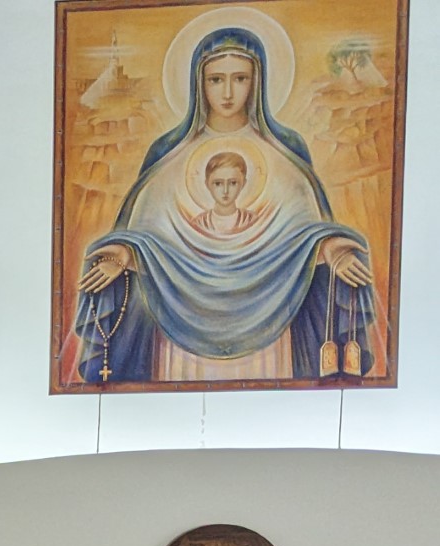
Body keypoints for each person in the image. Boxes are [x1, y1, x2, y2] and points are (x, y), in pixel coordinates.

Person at [72, 26, 377, 384]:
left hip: (271, 309)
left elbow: (305, 232)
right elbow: (145, 233)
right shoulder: (168, 152)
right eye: (216, 79)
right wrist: (121, 253)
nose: (228, 93)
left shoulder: (286, 149)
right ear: (198, 82)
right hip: (180, 313)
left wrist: (334, 248)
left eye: (240, 79)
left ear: (257, 81)